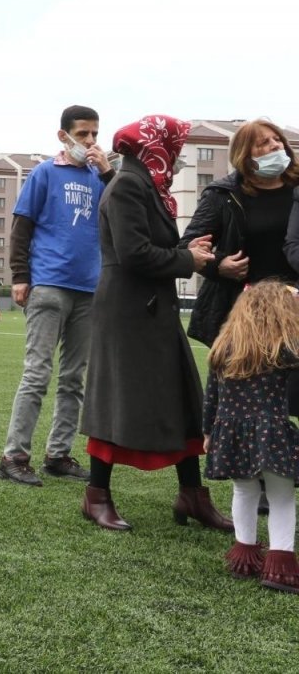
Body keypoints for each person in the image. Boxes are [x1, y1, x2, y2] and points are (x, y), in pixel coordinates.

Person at [78, 115, 232, 533]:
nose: (179, 155)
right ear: (155, 146)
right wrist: (189, 260)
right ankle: (96, 496)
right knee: (117, 399)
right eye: (176, 146)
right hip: (129, 312)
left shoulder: (146, 185)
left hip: (149, 308)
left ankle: (192, 495)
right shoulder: (129, 184)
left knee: (182, 397)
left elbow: (151, 248)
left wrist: (187, 249)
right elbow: (134, 255)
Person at [0, 106, 113, 488]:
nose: (91, 141)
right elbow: (22, 227)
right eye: (83, 134)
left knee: (75, 377)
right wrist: (19, 276)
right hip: (48, 285)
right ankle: (13, 456)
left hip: (88, 289)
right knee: (37, 373)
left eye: (95, 134)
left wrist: (108, 171)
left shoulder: (101, 177)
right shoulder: (45, 173)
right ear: (63, 136)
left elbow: (123, 213)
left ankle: (58, 454)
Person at [202, 281, 299, 591]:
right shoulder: (282, 348)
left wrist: (207, 432)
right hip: (271, 432)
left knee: (244, 492)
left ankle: (245, 557)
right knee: (281, 496)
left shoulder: (223, 348)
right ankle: (280, 567)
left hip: (230, 433)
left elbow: (211, 396)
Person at [183, 119, 299, 345]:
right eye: (264, 143)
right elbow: (188, 246)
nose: (276, 146)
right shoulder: (222, 194)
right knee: (243, 378)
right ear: (245, 155)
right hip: (242, 311)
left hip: (294, 307)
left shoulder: (296, 189)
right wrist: (219, 265)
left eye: (278, 140)